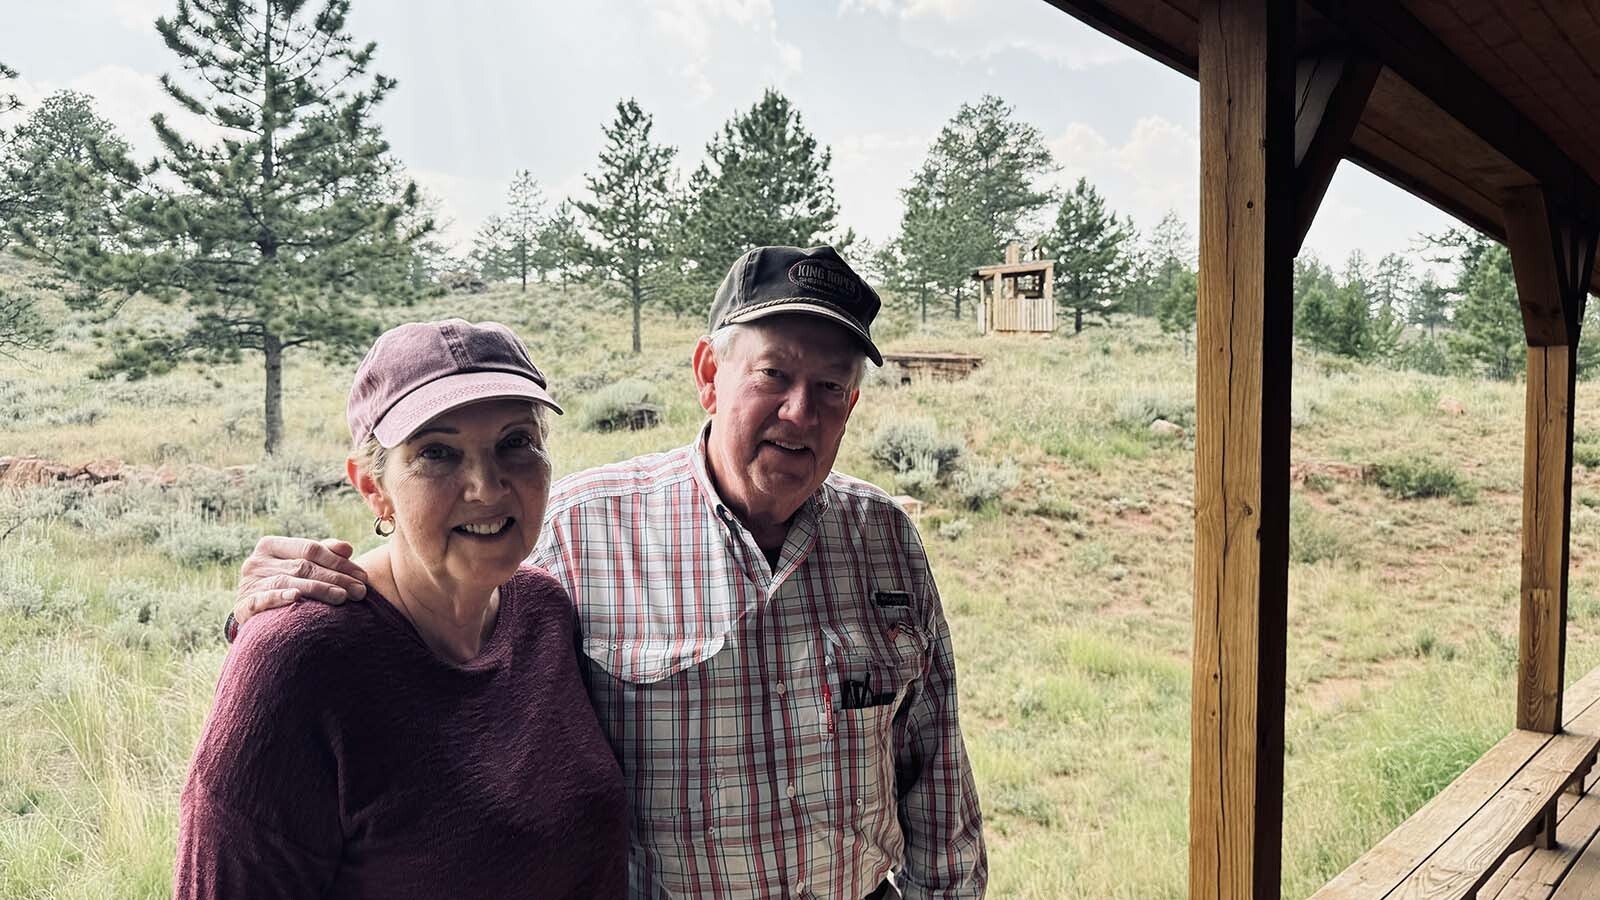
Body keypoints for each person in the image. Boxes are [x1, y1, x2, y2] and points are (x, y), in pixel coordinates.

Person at [233, 246, 988, 899]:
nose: (800, 412)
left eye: (829, 387)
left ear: (852, 402)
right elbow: (435, 570)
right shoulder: (577, 530)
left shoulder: (885, 537)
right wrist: (275, 614)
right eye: (774, 375)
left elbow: (936, 773)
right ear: (709, 375)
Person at [177, 319, 628, 899]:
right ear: (372, 486)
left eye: (515, 442)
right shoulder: (299, 661)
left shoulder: (543, 611)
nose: (486, 487)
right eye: (437, 454)